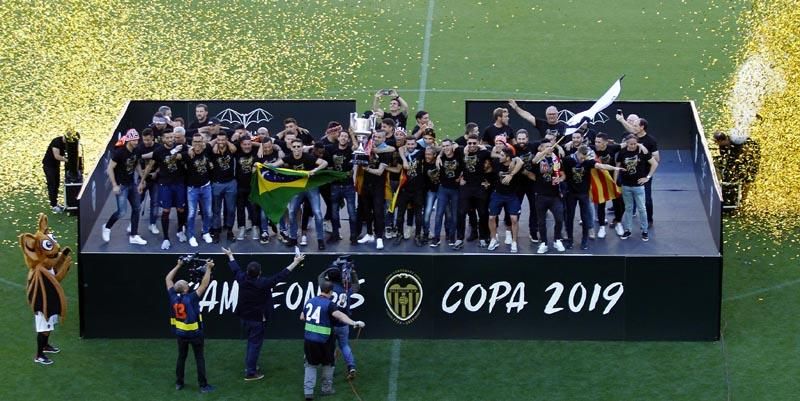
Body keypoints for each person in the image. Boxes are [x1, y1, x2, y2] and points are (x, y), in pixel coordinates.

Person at [222, 247, 305, 381]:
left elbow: (235, 269)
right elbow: (281, 275)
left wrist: (230, 255)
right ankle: (250, 372)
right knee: (254, 344)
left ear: (248, 271)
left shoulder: (242, 278)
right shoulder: (263, 283)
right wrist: (296, 262)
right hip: (257, 320)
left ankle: (250, 366)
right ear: (260, 272)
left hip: (244, 317)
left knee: (251, 343)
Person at [301, 279, 365, 401]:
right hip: (325, 341)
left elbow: (302, 317)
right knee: (328, 364)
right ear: (330, 292)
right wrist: (354, 323)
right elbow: (339, 315)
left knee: (310, 365)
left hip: (309, 341)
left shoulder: (310, 301)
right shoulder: (329, 304)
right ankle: (326, 389)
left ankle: (308, 393)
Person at [165, 256, 215, 393]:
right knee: (199, 358)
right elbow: (204, 285)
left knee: (181, 357)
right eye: (187, 284)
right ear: (185, 290)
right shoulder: (191, 298)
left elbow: (168, 279)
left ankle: (179, 383)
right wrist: (208, 269)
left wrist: (178, 265)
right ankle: (203, 385)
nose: (188, 285)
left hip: (180, 334)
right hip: (195, 334)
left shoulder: (173, 296)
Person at [562, 145, 623, 250]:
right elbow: (559, 168)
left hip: (583, 194)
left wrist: (614, 168)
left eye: (585, 157)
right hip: (570, 193)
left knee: (585, 218)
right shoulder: (567, 160)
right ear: (578, 152)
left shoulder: (588, 162)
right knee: (569, 217)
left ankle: (584, 241)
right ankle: (570, 240)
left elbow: (601, 166)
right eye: (581, 157)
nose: (582, 159)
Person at [271, 139, 329, 250]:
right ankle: (293, 238)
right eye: (295, 147)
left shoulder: (308, 157)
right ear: (291, 148)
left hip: (311, 187)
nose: (297, 149)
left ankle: (320, 239)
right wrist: (261, 165)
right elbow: (273, 165)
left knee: (317, 212)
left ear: (302, 148)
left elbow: (324, 163)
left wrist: (315, 170)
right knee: (292, 211)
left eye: (299, 146)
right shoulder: (288, 157)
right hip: (297, 188)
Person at [140, 131, 187, 250]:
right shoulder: (158, 151)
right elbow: (150, 165)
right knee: (165, 210)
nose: (170, 139)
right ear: (163, 139)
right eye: (167, 137)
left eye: (172, 137)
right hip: (165, 184)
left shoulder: (181, 148)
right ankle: (166, 238)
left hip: (179, 183)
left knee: (181, 208)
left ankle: (180, 230)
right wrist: (142, 181)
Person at [101, 129, 147, 245]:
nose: (136, 142)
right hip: (121, 185)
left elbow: (136, 163)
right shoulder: (120, 153)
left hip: (132, 183)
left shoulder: (137, 150)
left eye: (137, 139)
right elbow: (110, 168)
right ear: (128, 140)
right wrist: (114, 185)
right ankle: (107, 227)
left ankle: (134, 235)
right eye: (134, 140)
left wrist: (142, 178)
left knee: (137, 208)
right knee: (122, 212)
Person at [318, 256, 361, 379]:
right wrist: (352, 271)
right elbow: (357, 285)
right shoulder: (346, 289)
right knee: (344, 346)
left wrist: (330, 268)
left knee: (330, 347)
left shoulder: (326, 288)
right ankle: (351, 367)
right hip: (343, 323)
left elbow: (320, 277)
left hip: (329, 324)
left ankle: (329, 370)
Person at [617, 113, 658, 227]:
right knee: (624, 198)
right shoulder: (631, 138)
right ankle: (620, 219)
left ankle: (649, 220)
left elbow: (657, 159)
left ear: (642, 127)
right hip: (629, 175)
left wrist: (644, 155)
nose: (632, 127)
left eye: (635, 125)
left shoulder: (650, 141)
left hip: (644, 175)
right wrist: (621, 120)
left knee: (647, 199)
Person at [615, 134, 658, 241]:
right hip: (626, 185)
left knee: (642, 209)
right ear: (626, 143)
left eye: (635, 144)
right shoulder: (622, 152)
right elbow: (617, 167)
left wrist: (647, 177)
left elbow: (654, 163)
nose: (633, 146)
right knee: (628, 208)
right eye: (630, 144)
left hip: (639, 186)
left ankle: (644, 230)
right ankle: (628, 230)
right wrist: (615, 181)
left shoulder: (642, 151)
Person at [356, 131, 393, 250]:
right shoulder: (367, 148)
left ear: (384, 138)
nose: (376, 139)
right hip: (366, 186)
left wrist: (366, 168)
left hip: (378, 187)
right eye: (375, 137)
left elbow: (379, 172)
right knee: (367, 211)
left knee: (378, 213)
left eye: (379, 137)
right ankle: (369, 234)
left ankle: (379, 238)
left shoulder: (386, 152)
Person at [454, 133, 491, 250]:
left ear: (478, 143)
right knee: (461, 213)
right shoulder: (461, 151)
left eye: (474, 143)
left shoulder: (484, 153)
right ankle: (460, 238)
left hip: (480, 187)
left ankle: (483, 237)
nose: (472, 145)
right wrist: (439, 156)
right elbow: (447, 147)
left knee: (483, 213)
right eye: (469, 143)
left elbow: (495, 154)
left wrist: (484, 147)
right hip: (466, 187)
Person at [532, 140, 566, 254]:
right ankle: (544, 243)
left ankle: (557, 239)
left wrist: (560, 179)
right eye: (546, 146)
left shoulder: (556, 159)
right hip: (541, 195)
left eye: (551, 146)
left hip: (555, 195)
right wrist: (544, 152)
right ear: (541, 148)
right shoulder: (538, 158)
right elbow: (534, 160)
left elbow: (563, 174)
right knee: (541, 221)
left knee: (559, 218)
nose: (549, 148)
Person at [487, 147, 523, 252]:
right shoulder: (497, 162)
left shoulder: (515, 164)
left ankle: (514, 241)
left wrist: (511, 175)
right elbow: (491, 154)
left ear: (508, 158)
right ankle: (494, 239)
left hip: (511, 196)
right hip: (497, 194)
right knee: (491, 218)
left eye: (502, 155)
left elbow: (520, 161)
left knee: (514, 219)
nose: (500, 157)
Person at [325, 129, 358, 244]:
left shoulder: (350, 150)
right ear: (338, 138)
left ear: (348, 139)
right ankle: (335, 234)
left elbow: (356, 146)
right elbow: (319, 146)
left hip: (348, 186)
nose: (343, 138)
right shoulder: (331, 148)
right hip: (335, 186)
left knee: (352, 212)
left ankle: (353, 236)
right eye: (341, 136)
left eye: (346, 137)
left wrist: (352, 134)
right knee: (334, 213)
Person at [183, 133, 214, 247]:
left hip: (206, 187)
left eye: (199, 141)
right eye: (195, 142)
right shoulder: (187, 154)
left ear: (203, 142)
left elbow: (217, 140)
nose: (197, 144)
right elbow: (176, 153)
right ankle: (191, 236)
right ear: (192, 143)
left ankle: (205, 232)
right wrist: (189, 149)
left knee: (208, 212)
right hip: (192, 189)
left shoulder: (207, 150)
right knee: (191, 214)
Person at [431, 139, 462, 247]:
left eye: (447, 146)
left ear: (452, 146)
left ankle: (452, 237)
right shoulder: (441, 157)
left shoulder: (459, 154)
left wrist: (462, 176)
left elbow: (465, 166)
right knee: (439, 214)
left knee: (454, 215)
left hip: (456, 190)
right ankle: (436, 238)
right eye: (443, 146)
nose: (445, 148)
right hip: (443, 189)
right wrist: (439, 156)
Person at [209, 131, 239, 243]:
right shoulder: (213, 150)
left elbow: (235, 149)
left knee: (231, 209)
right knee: (216, 209)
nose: (221, 142)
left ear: (226, 139)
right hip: (216, 183)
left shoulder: (231, 148)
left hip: (230, 182)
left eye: (223, 140)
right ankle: (216, 231)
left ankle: (230, 230)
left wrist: (228, 142)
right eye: (219, 140)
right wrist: (215, 143)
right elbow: (206, 146)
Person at [42, 133, 67, 213]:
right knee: (52, 184)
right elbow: (56, 156)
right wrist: (67, 160)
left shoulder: (65, 144)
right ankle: (53, 205)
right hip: (49, 166)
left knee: (56, 184)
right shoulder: (56, 142)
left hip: (56, 166)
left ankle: (55, 203)